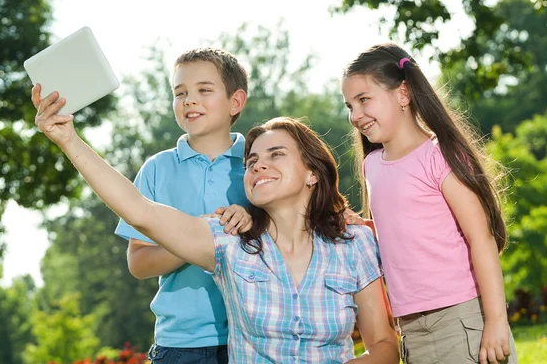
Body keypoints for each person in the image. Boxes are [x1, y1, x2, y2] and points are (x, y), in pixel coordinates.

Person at [30, 84, 400, 363]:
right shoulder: (230, 243)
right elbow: (140, 210)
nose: (258, 166)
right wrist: (67, 139)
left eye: (276, 154)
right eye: (251, 161)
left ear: (312, 174)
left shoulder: (354, 243)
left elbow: (383, 345)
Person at [341, 42, 517, 364]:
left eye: (364, 100)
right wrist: (367, 228)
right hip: (411, 331)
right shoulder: (372, 165)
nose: (355, 115)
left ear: (403, 94)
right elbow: (410, 232)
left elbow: (481, 239)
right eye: (349, 106)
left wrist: (494, 322)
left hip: (463, 321)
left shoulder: (439, 156)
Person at [114, 48, 252, 363]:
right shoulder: (156, 169)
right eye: (180, 93)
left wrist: (251, 218)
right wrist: (196, 238)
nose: (189, 100)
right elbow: (138, 263)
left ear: (236, 101)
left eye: (204, 90)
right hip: (180, 345)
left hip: (257, 336)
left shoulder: (259, 163)